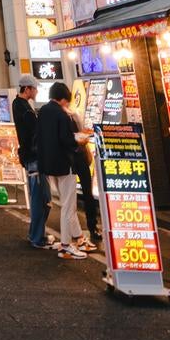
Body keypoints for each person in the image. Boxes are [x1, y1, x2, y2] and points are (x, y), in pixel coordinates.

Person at [37, 82, 88, 258]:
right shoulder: (61, 114)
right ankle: (66, 244)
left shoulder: (43, 111)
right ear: (64, 99)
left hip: (49, 165)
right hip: (65, 164)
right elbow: (66, 140)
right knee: (68, 205)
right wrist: (79, 140)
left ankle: (78, 238)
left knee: (65, 202)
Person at [63, 87, 101, 251]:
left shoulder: (66, 114)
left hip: (71, 158)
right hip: (76, 157)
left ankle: (79, 231)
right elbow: (78, 135)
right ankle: (89, 228)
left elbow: (76, 134)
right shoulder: (70, 114)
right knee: (85, 193)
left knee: (71, 196)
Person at [13, 74, 47, 248]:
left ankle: (37, 234)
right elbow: (34, 133)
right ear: (27, 89)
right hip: (33, 157)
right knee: (38, 199)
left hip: (28, 156)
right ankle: (36, 237)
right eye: (34, 88)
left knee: (42, 197)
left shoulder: (17, 104)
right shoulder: (25, 109)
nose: (36, 91)